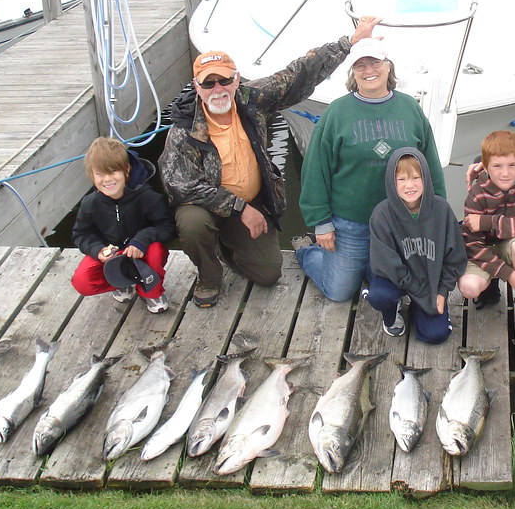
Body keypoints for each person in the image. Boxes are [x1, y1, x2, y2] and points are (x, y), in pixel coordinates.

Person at [160, 17, 377, 308]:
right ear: (197, 86)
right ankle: (209, 276)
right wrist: (239, 208)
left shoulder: (253, 100)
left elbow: (298, 74)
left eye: (225, 80)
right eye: (209, 83)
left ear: (236, 79)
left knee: (268, 273)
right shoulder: (183, 129)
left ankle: (228, 244)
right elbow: (180, 187)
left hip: (248, 206)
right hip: (213, 209)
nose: (218, 88)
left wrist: (348, 42)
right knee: (192, 223)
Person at [294, 34, 446, 302]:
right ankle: (309, 252)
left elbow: (430, 163)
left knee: (400, 289)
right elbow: (315, 170)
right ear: (353, 73)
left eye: (374, 62)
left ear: (388, 66)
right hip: (350, 224)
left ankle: (367, 266)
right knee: (339, 292)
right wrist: (321, 223)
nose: (369, 70)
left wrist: (437, 212)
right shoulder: (336, 113)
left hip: (400, 224)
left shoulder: (409, 107)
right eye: (360, 65)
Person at [365, 148, 466, 343]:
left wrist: (442, 291)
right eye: (401, 179)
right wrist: (422, 295)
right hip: (397, 279)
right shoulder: (381, 214)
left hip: (430, 281)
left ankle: (417, 308)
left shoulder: (442, 209)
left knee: (436, 335)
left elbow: (455, 258)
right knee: (380, 296)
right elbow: (388, 265)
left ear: (426, 178)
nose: (409, 185)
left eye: (416, 178)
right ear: (391, 182)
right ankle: (391, 315)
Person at [71, 137, 177, 313]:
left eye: (113, 172)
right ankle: (120, 282)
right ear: (92, 175)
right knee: (82, 282)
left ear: (126, 170)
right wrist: (97, 250)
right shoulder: (90, 203)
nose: (107, 179)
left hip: (142, 252)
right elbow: (81, 235)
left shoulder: (148, 197)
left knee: (156, 251)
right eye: (99, 173)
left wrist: (142, 240)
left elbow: (168, 228)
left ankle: (150, 291)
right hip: (112, 255)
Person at [458, 129, 515, 337]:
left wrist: (488, 222)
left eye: (512, 165)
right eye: (497, 166)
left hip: (512, 245)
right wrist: (508, 274)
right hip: (486, 250)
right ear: (485, 166)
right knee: (468, 287)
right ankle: (491, 284)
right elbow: (473, 247)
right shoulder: (477, 195)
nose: (505, 173)